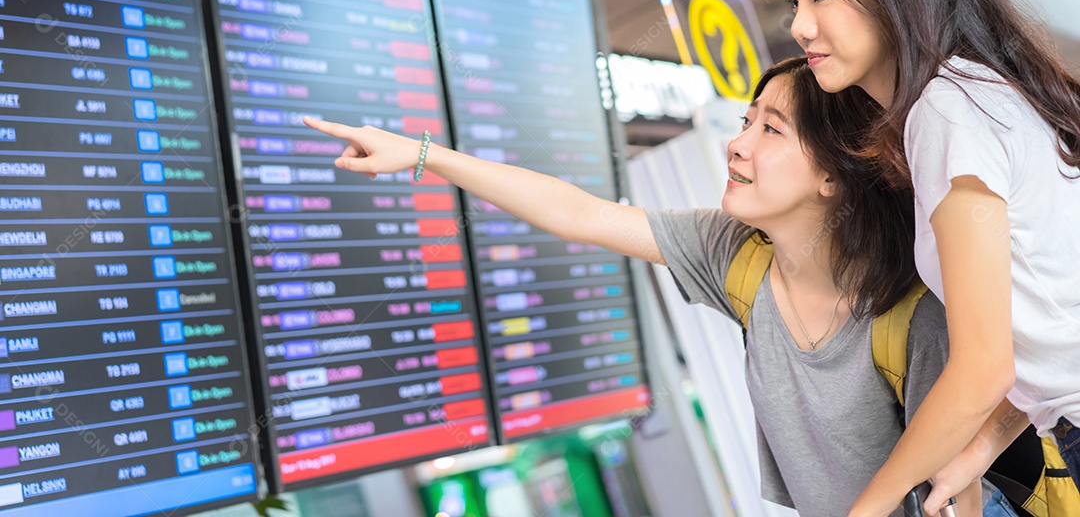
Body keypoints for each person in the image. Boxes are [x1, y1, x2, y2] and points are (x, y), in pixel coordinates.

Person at [304, 58, 1009, 517]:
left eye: (771, 129)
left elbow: (959, 492)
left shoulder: (915, 315)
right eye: (745, 121)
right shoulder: (736, 255)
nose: (738, 143)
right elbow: (578, 213)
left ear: (833, 174)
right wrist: (422, 154)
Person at [781, 0, 1080, 516]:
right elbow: (1048, 336)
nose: (800, 25)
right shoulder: (978, 92)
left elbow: (985, 365)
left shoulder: (947, 110)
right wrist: (973, 453)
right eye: (794, 0)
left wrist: (867, 508)